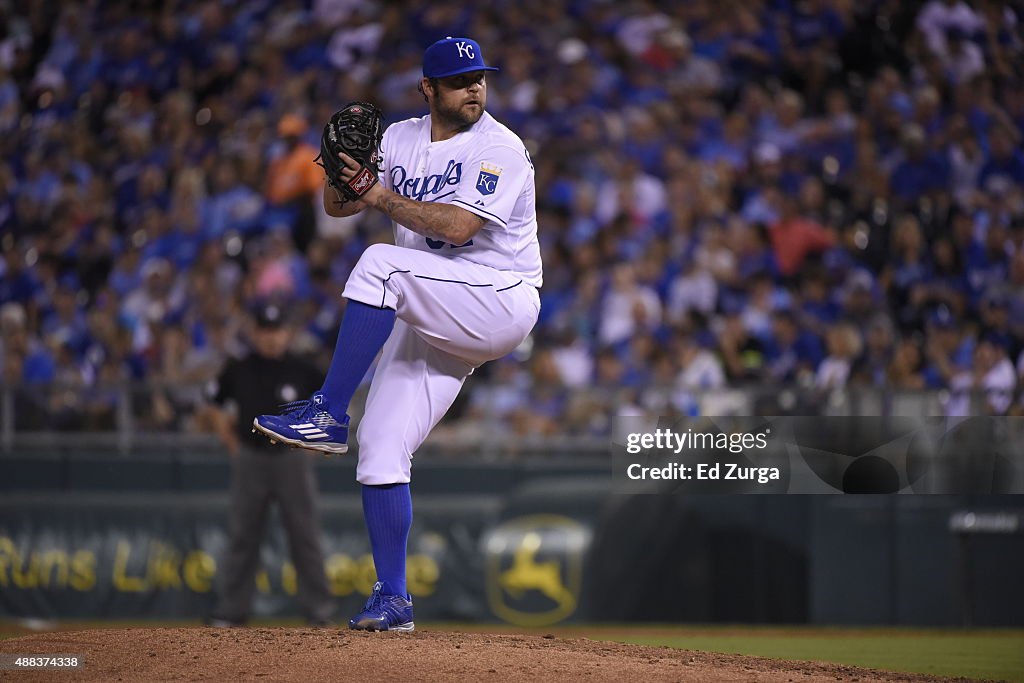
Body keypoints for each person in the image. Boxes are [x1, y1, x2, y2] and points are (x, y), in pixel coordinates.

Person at [253, 36, 542, 631]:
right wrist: (341, 175)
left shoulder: (500, 147)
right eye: (460, 81)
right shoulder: (400, 138)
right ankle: (394, 600)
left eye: (480, 78)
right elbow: (338, 206)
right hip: (432, 305)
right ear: (427, 89)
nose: (475, 90)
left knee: (379, 263)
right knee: (381, 447)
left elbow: (460, 228)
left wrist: (378, 192)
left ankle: (327, 411)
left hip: (497, 297)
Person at [203, 304, 334, 627]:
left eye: (277, 331)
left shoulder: (303, 369)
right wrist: (231, 443)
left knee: (305, 537)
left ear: (287, 333)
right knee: (243, 535)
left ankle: (319, 612)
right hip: (251, 458)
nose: (272, 338)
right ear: (255, 333)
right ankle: (231, 611)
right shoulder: (239, 367)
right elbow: (213, 404)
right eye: (265, 330)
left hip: (292, 459)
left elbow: (330, 406)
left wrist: (314, 444)